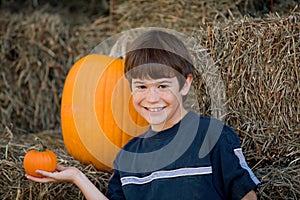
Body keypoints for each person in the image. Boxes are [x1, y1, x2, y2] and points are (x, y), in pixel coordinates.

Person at [26, 29, 260, 200]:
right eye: (141, 87)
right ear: (130, 88)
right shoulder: (128, 156)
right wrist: (77, 176)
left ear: (185, 85)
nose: (152, 98)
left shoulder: (213, 137)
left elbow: (246, 196)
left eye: (162, 86)